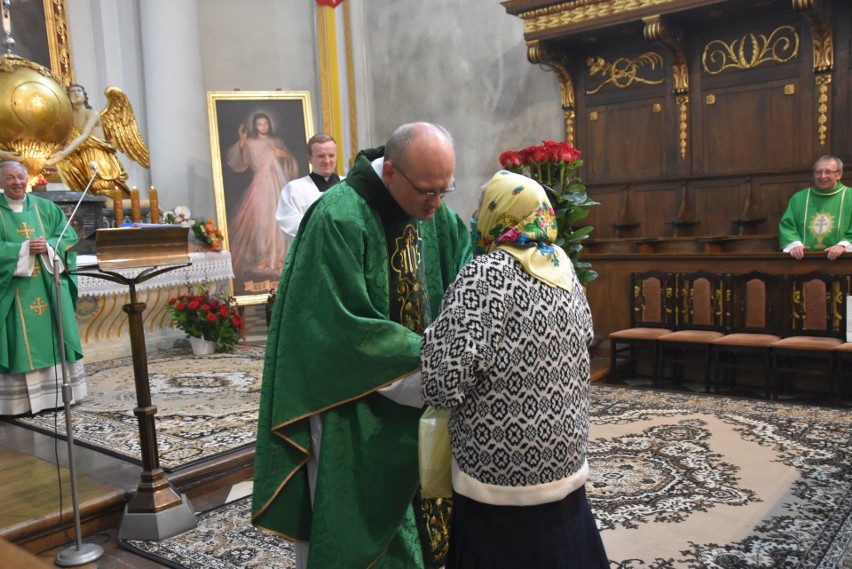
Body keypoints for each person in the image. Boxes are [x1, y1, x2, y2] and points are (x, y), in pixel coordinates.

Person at [252, 122, 472, 568]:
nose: (435, 204)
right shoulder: (337, 217)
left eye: (444, 191)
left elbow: (464, 286)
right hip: (353, 403)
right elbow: (339, 326)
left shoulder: (439, 218)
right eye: (427, 192)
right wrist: (436, 361)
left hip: (426, 401)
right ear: (390, 172)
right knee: (355, 529)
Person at [420, 170, 609, 568]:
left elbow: (441, 384)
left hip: (500, 476)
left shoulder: (486, 275)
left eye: (480, 208)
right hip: (565, 461)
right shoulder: (564, 269)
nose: (473, 217)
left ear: (497, 215)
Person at [0, 161, 86, 416]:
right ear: (1, 182)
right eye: (10, 178)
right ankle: (20, 402)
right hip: (14, 289)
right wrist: (23, 249)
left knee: (54, 332)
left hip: (48, 284)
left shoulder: (46, 207)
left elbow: (67, 238)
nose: (17, 182)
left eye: (20, 177)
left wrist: (48, 246)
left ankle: (60, 394)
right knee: (19, 338)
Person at [226, 112, 298, 286]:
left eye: (265, 124)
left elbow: (290, 161)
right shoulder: (250, 143)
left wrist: (284, 156)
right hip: (260, 185)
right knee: (261, 222)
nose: (263, 127)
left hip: (278, 184)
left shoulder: (277, 142)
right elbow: (237, 161)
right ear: (254, 126)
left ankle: (279, 259)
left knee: (278, 220)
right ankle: (264, 257)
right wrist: (242, 141)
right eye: (260, 124)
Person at [46, 84, 145, 198]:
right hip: (82, 159)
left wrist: (63, 153)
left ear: (84, 97)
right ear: (67, 96)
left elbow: (84, 135)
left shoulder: (92, 113)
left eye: (79, 91)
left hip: (97, 156)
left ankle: (150, 206)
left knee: (107, 198)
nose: (76, 93)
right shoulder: (68, 119)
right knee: (92, 199)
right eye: (73, 91)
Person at [779, 155, 850, 260]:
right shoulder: (799, 198)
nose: (822, 176)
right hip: (804, 262)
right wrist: (795, 245)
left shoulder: (850, 196)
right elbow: (788, 225)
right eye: (818, 172)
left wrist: (843, 245)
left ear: (839, 174)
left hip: (842, 263)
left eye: (828, 172)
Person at [275, 133, 340, 245]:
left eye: (331, 155)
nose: (327, 160)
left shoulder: (350, 186)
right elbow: (289, 224)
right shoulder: (293, 190)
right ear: (310, 159)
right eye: (321, 156)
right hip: (312, 255)